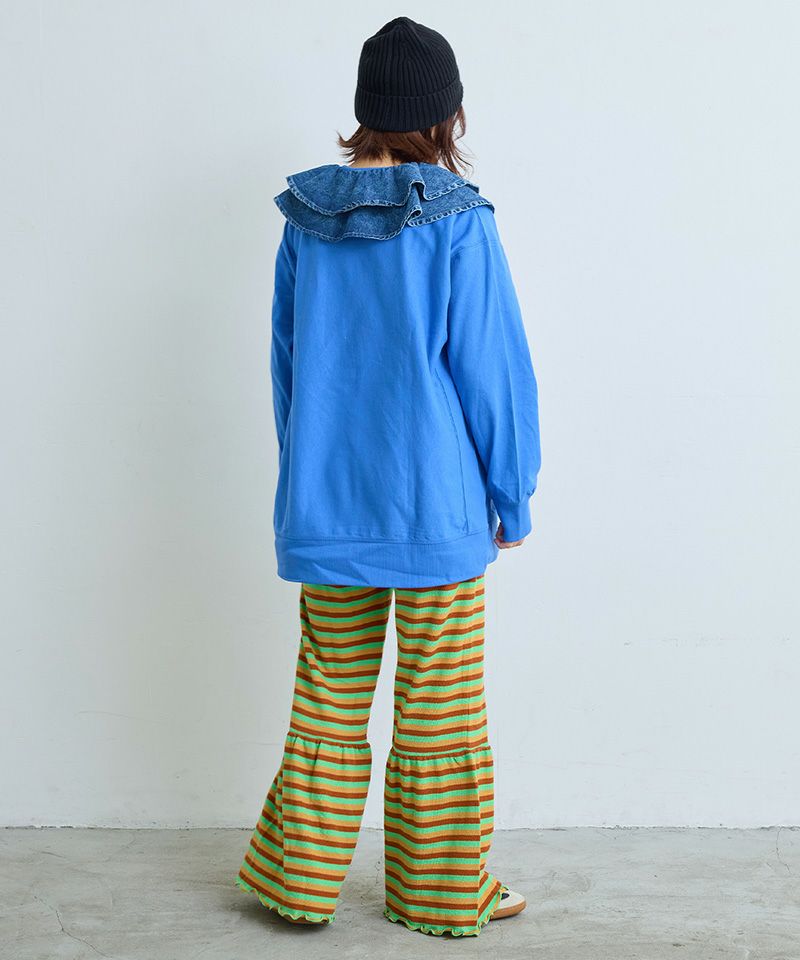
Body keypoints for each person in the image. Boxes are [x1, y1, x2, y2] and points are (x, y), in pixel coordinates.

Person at [235, 15, 541, 938]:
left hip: (329, 507)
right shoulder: (459, 221)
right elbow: (492, 372)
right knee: (440, 709)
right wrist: (511, 493)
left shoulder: (307, 220)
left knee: (327, 698)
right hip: (436, 512)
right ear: (447, 116)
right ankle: (440, 892)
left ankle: (299, 885)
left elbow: (289, 369)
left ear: (365, 110)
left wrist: (305, 490)